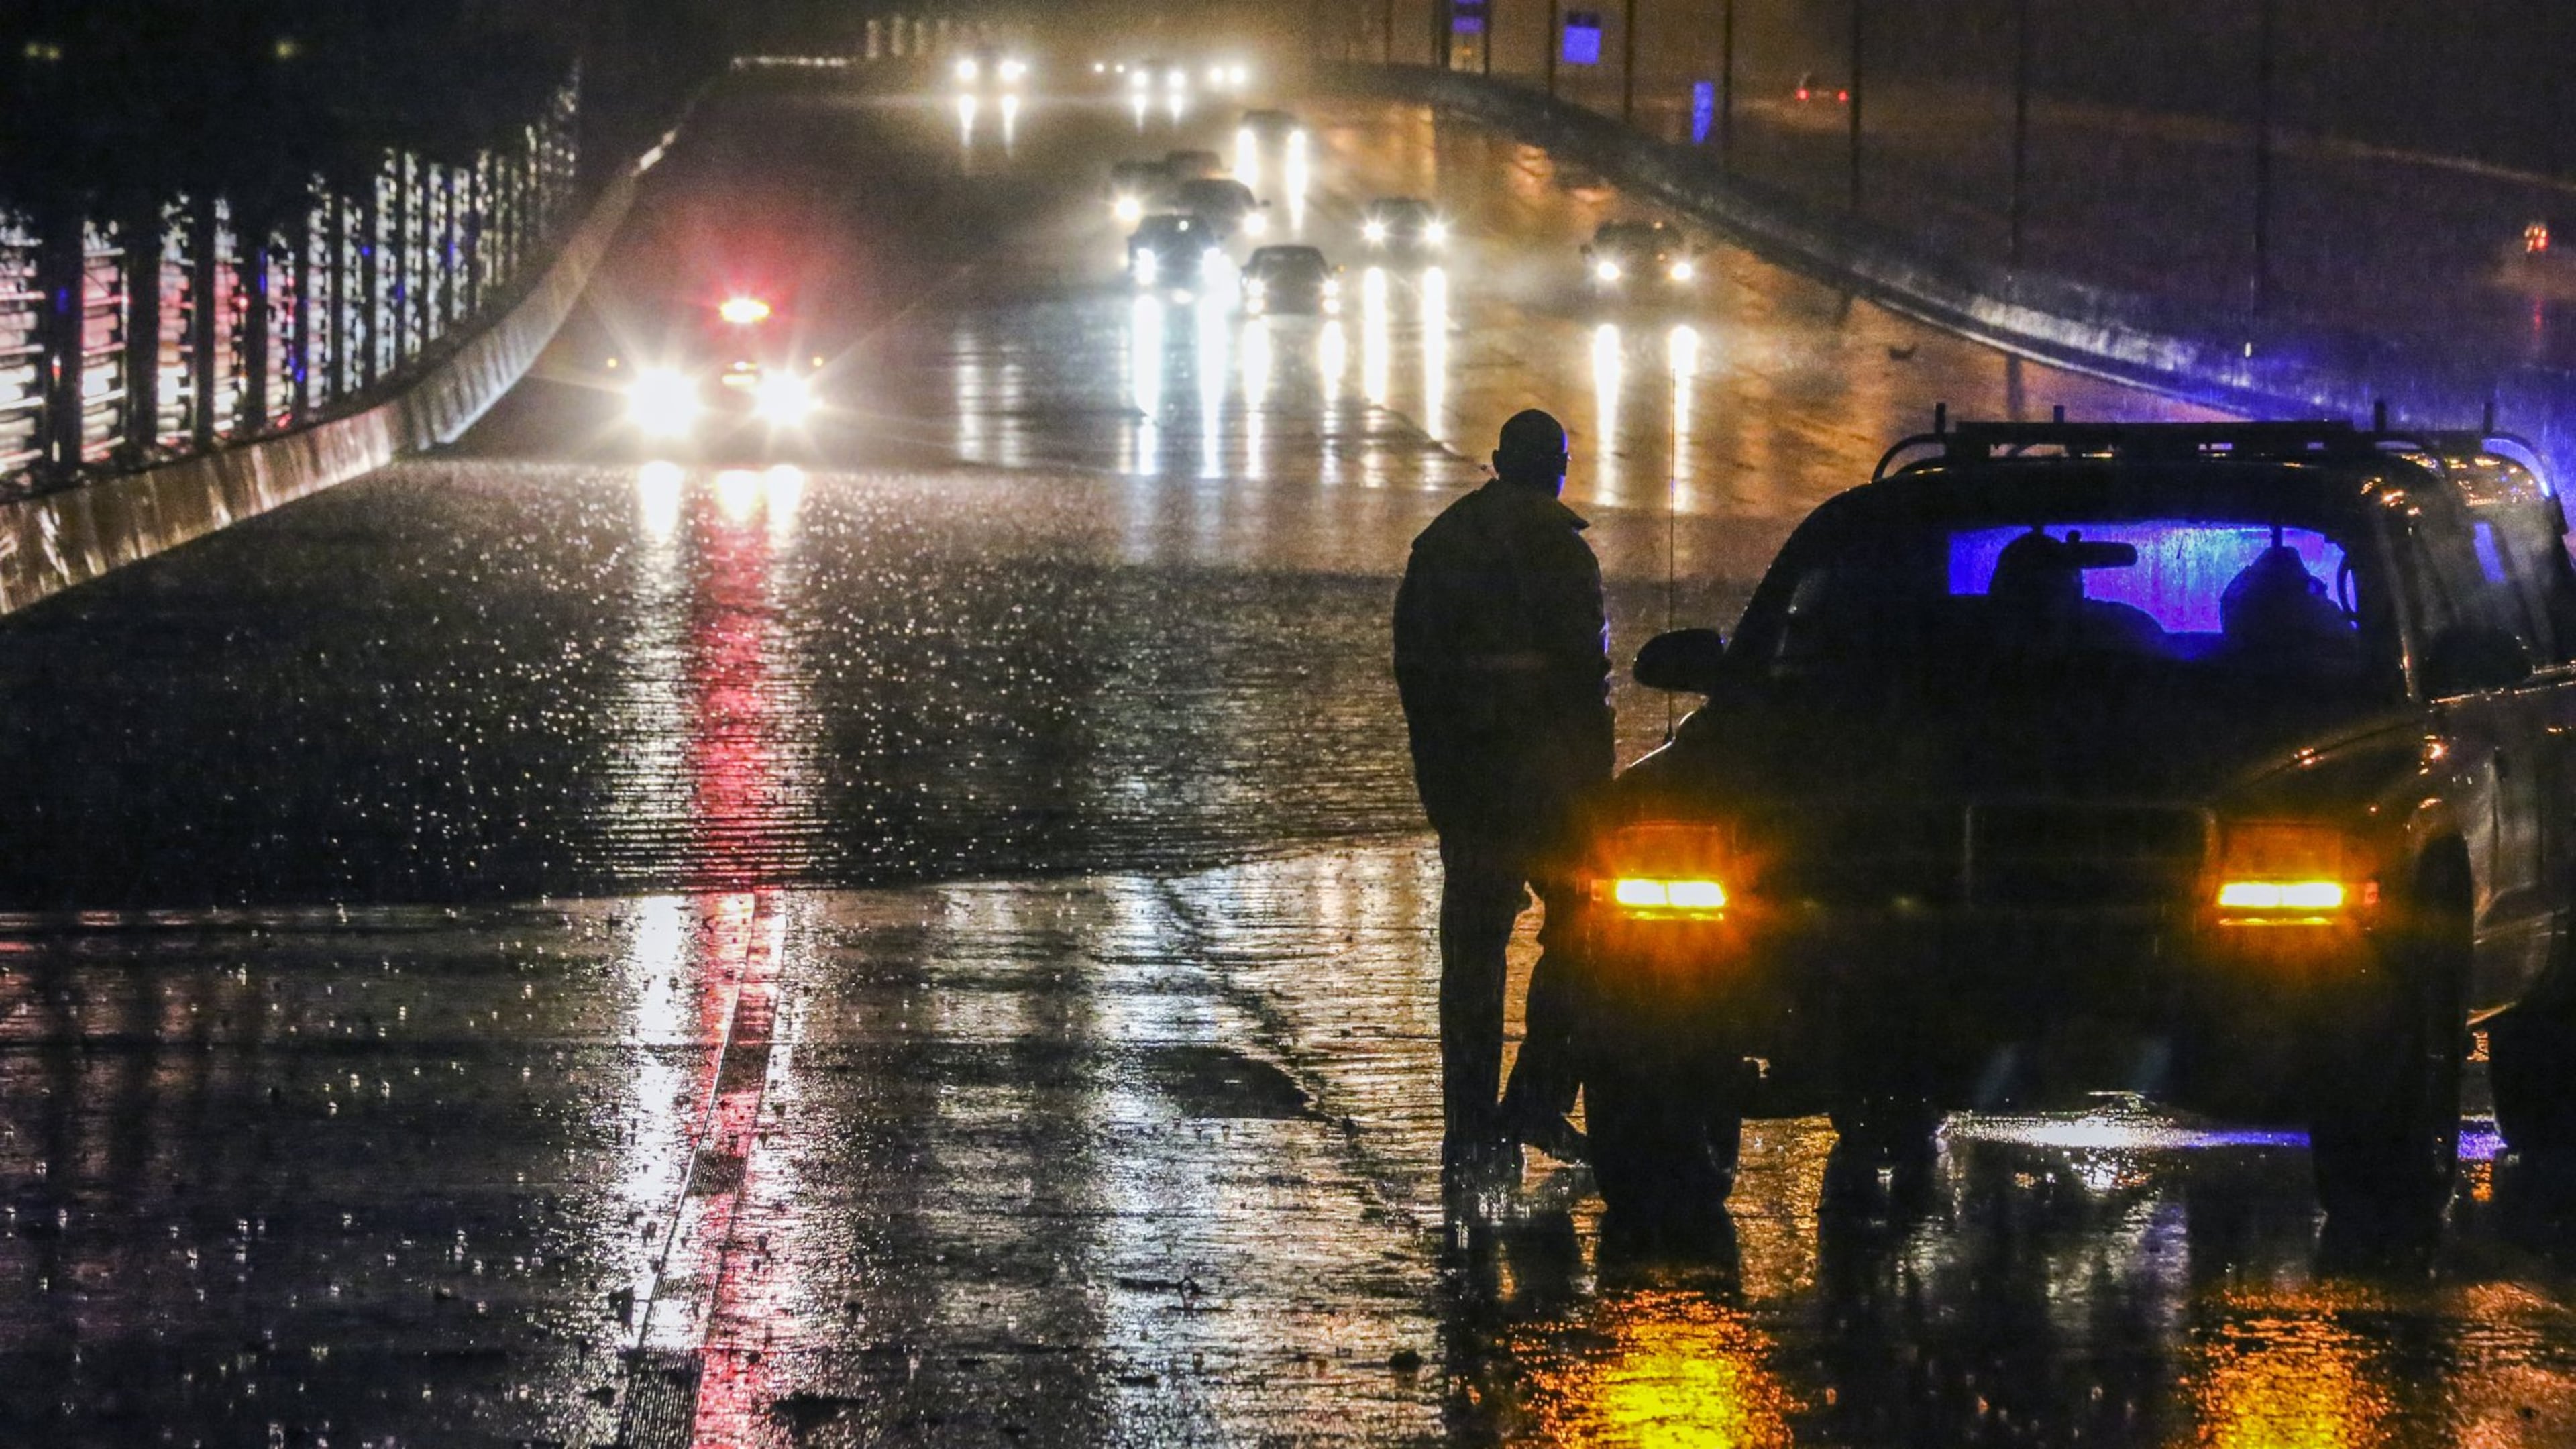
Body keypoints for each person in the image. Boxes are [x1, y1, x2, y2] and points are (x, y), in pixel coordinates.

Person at [1393, 409, 1614, 1196]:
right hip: (1551, 793)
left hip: (1472, 791)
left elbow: (1415, 675)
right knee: (1589, 940)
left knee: (1473, 961)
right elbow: (1589, 689)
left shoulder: (1443, 545)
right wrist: (1597, 803)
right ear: (1557, 468)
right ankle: (1537, 1098)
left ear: (1496, 460)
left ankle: (1469, 1125)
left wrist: (1443, 783)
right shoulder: (1563, 550)